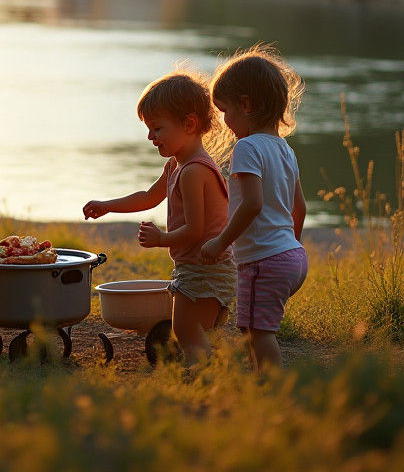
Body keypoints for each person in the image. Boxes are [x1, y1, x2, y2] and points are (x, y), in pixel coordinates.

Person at [83, 70, 236, 364]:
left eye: (157, 128)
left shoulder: (194, 172)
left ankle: (199, 378)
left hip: (207, 270)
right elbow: (148, 197)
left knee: (186, 330)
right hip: (196, 267)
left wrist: (161, 239)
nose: (150, 137)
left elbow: (195, 230)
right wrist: (107, 205)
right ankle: (205, 373)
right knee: (192, 331)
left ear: (189, 124)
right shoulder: (176, 166)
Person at [200, 45, 307, 372]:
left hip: (265, 261)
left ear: (245, 105)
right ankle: (260, 381)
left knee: (259, 333)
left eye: (224, 111)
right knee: (250, 328)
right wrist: (291, 246)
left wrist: (221, 242)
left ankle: (271, 389)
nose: (224, 120)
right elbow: (299, 208)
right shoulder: (285, 149)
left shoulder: (247, 148)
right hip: (291, 257)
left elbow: (252, 203)